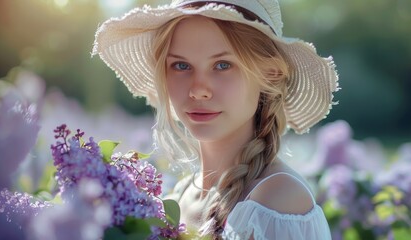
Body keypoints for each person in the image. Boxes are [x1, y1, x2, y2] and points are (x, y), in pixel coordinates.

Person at [93, 0, 338, 239]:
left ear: (270, 75)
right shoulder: (178, 196)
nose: (199, 89)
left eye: (222, 65)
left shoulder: (279, 201)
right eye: (180, 65)